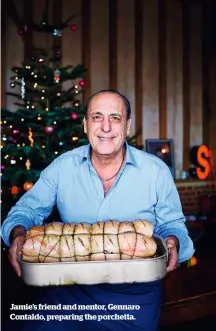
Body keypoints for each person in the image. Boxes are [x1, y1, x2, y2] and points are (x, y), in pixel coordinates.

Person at [1, 89, 194, 331]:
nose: (105, 127)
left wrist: (173, 240)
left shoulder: (156, 171)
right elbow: (25, 211)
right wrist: (18, 233)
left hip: (133, 300)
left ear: (128, 125)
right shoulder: (62, 167)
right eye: (96, 117)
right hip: (66, 294)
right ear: (84, 124)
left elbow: (173, 225)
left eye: (115, 117)